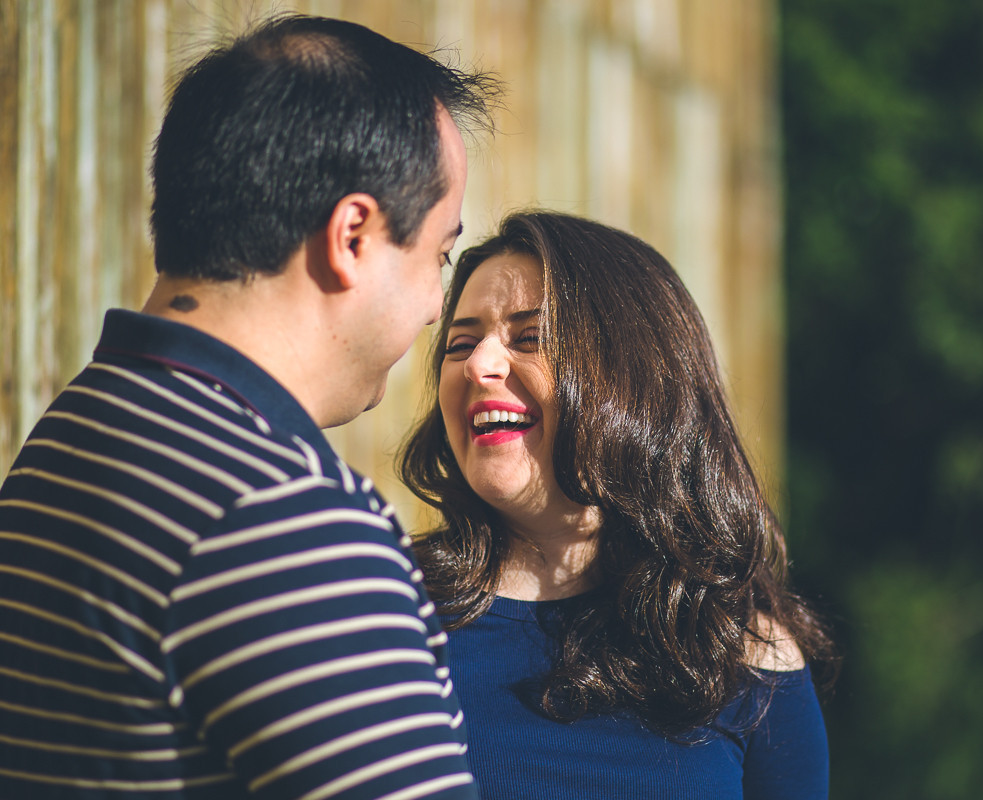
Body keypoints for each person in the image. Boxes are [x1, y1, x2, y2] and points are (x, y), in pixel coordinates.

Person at [0, 14, 498, 799]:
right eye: (437, 255)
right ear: (353, 236)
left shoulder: (67, 442)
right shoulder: (280, 512)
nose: (437, 307)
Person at [401, 211, 834, 800]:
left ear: (637, 377)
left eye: (531, 338)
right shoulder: (388, 610)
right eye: (460, 343)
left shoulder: (747, 656)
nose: (480, 364)